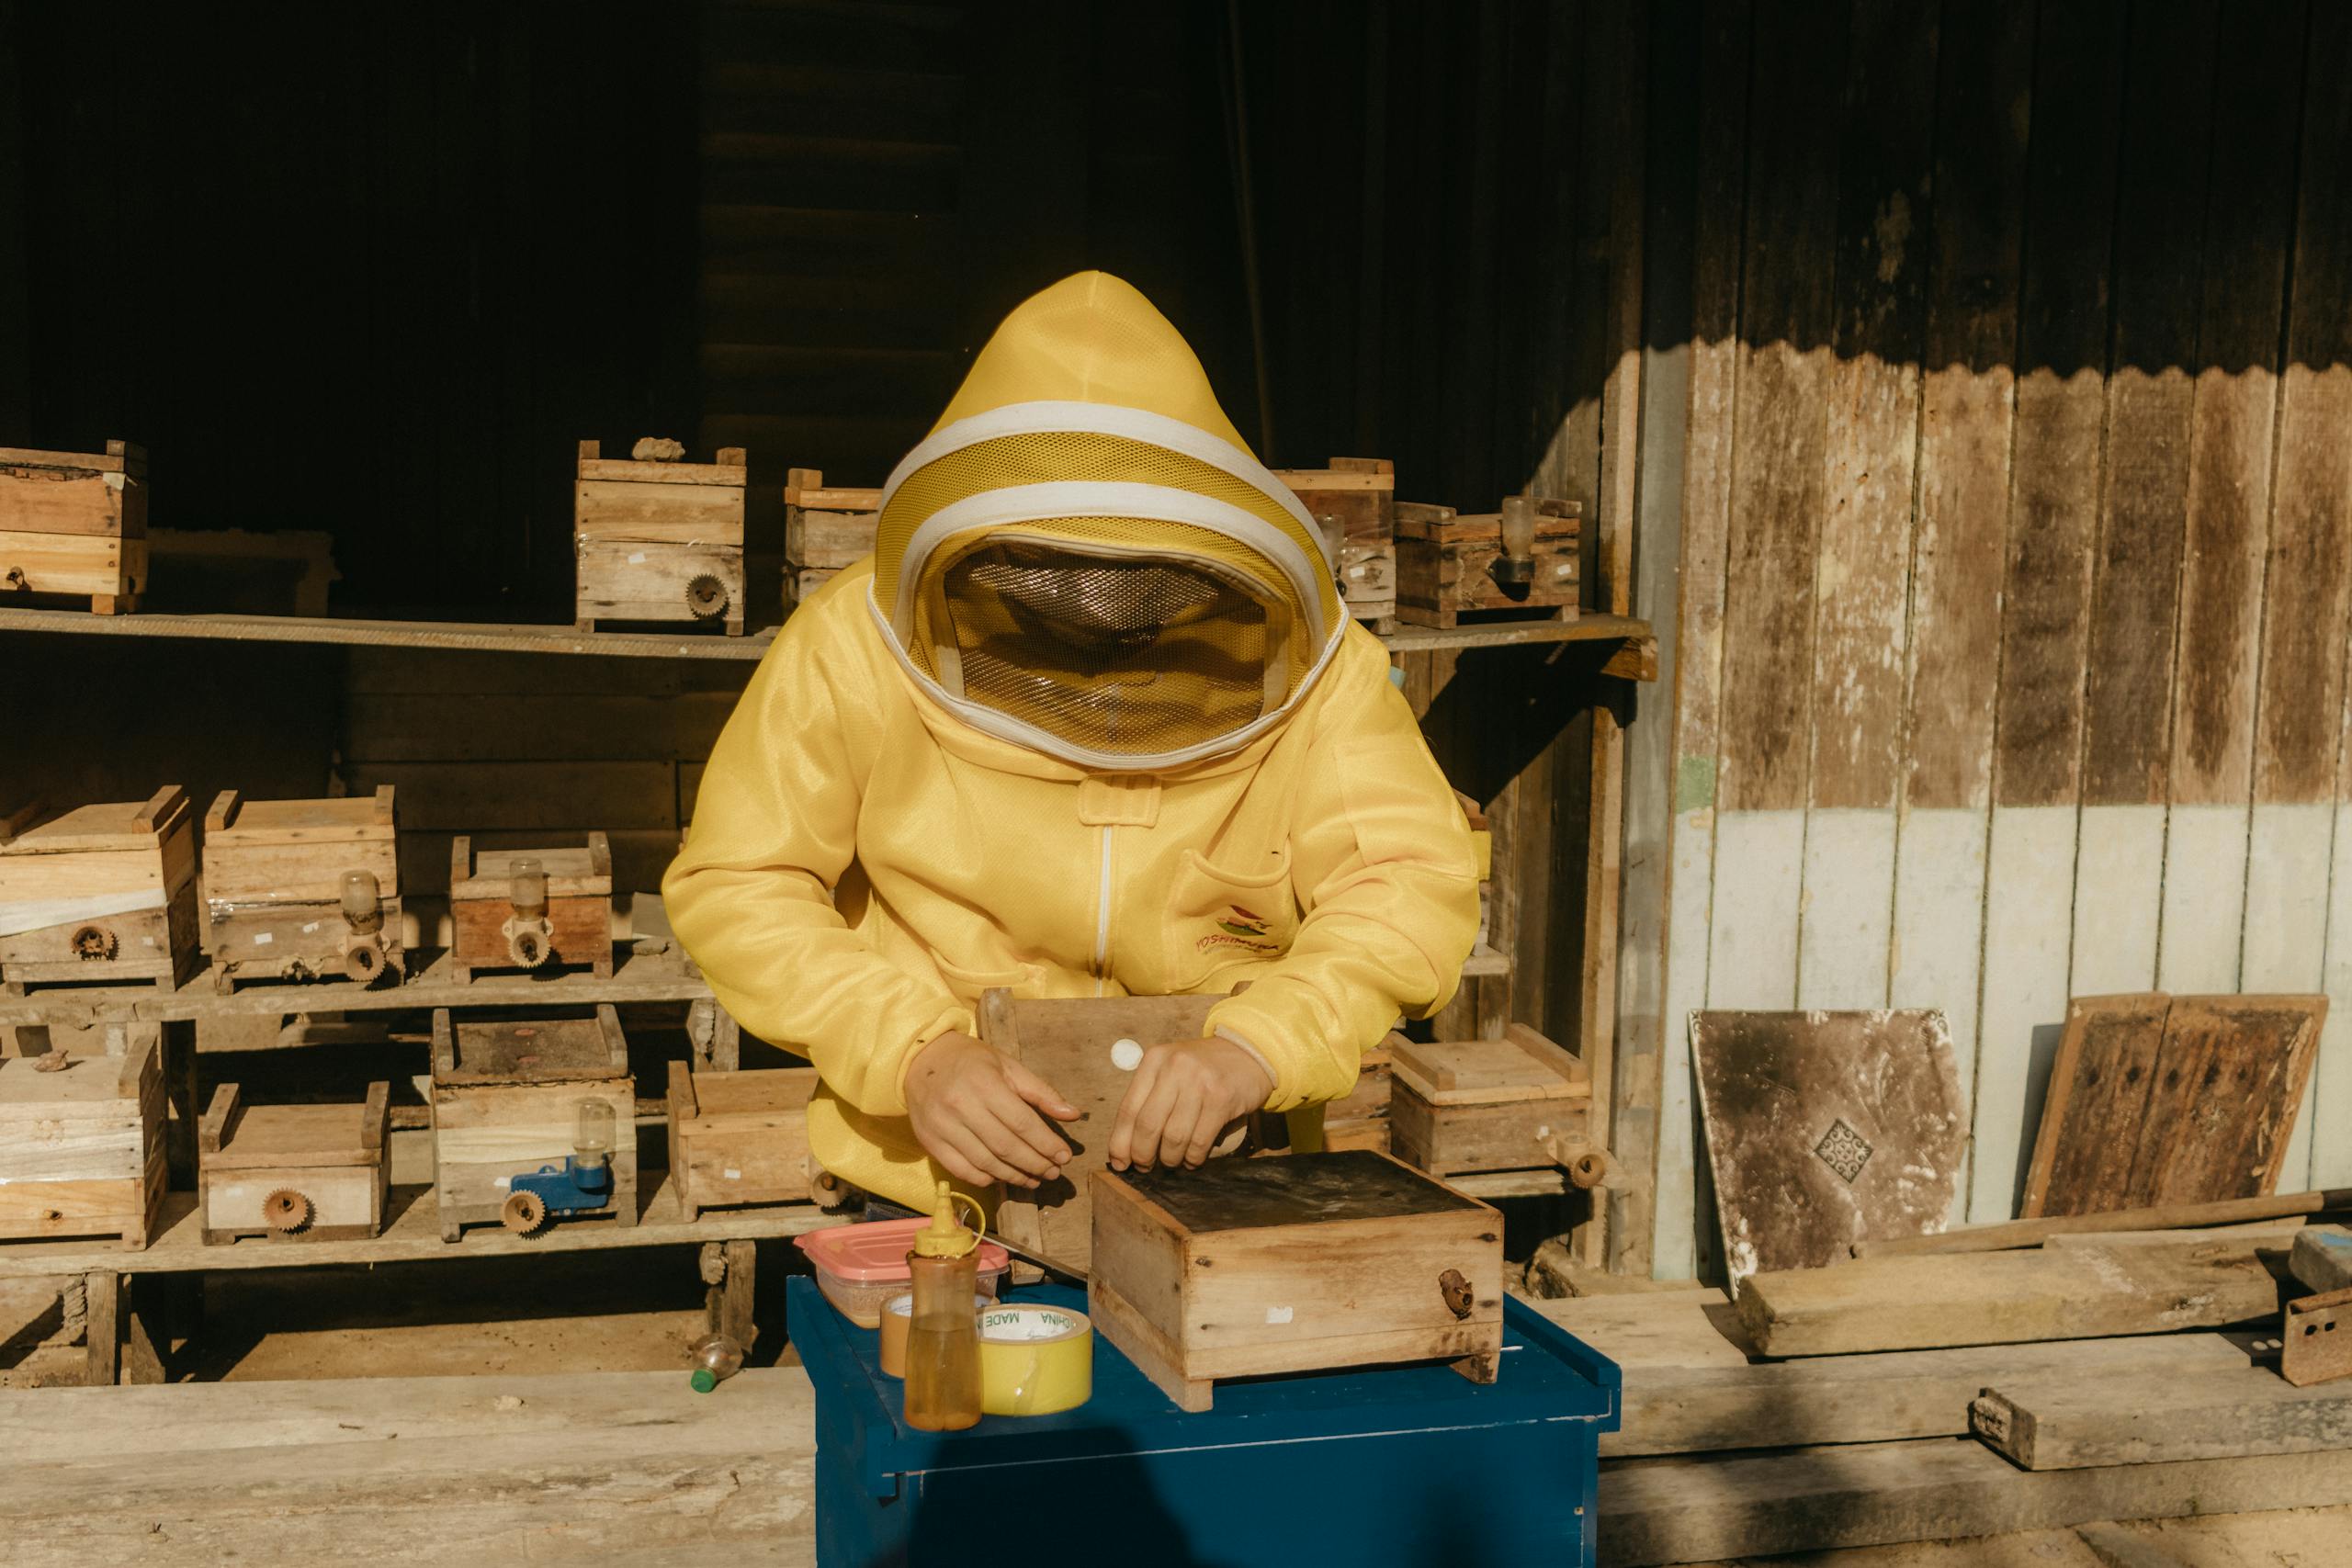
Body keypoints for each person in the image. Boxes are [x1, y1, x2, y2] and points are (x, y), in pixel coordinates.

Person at [662, 272, 1478, 1211]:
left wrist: (1261, 1048)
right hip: (928, 1184)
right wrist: (912, 1053)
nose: (1100, 624)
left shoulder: (1325, 672)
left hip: (1222, 1172)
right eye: (1051, 585)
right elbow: (739, 880)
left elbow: (1406, 882)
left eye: (1146, 591)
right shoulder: (851, 643)